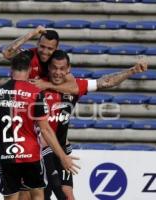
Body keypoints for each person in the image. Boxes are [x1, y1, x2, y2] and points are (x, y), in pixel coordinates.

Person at [0, 51, 80, 200]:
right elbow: (45, 129)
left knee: (12, 197)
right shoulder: (36, 93)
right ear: (30, 70)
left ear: (11, 70)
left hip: (7, 155)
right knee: (37, 196)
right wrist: (63, 157)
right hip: (31, 155)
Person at [40, 50, 148, 200]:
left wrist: (132, 71)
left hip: (61, 149)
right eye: (54, 68)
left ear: (68, 68)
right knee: (46, 193)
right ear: (48, 68)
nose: (58, 72)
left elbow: (106, 81)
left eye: (62, 68)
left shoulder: (75, 86)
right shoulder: (37, 86)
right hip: (40, 149)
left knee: (68, 194)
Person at [0, 26, 78, 95]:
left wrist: (47, 85)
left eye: (50, 48)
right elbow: (7, 53)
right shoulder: (29, 56)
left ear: (56, 48)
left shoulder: (58, 62)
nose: (45, 51)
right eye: (42, 46)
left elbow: (74, 87)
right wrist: (31, 34)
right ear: (37, 44)